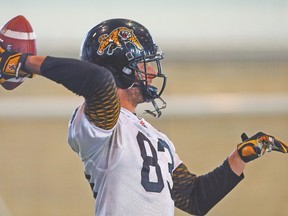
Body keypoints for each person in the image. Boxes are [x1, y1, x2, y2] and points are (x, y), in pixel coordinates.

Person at [0, 18, 287, 216]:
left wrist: (239, 158)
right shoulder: (102, 122)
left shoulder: (158, 137)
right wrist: (22, 62)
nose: (151, 72)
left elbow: (194, 198)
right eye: (142, 64)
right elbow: (98, 81)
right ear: (119, 69)